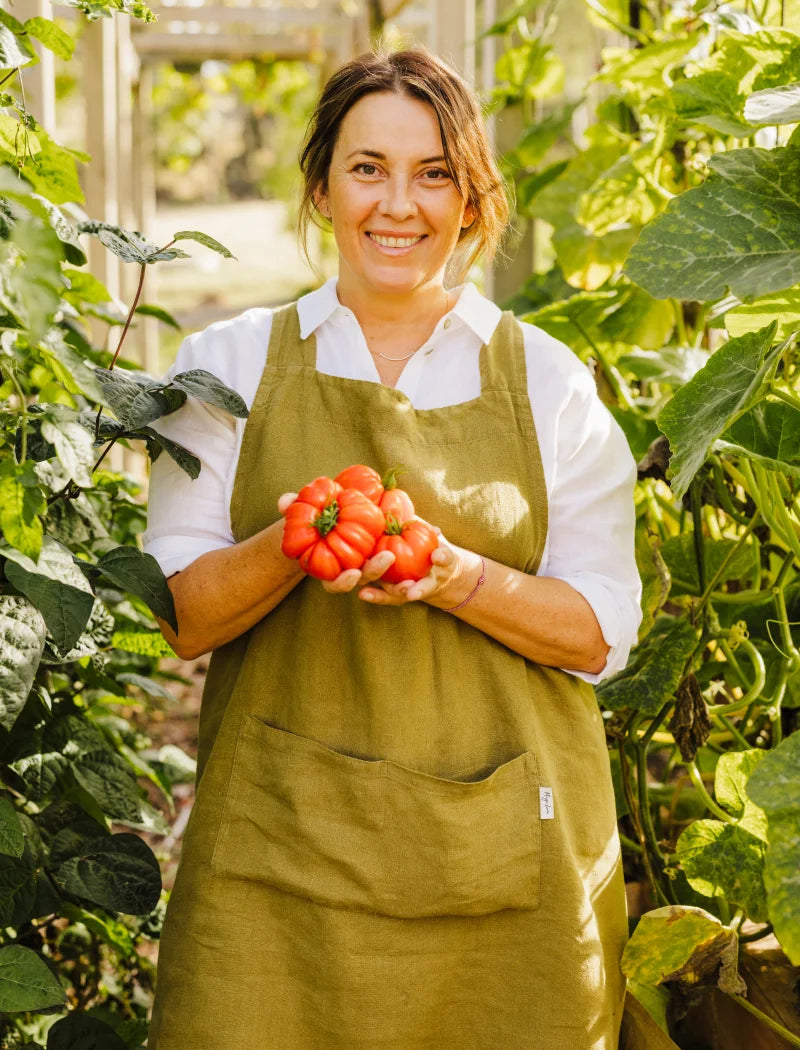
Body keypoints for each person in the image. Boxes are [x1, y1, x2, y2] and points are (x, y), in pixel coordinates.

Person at [143, 45, 642, 1050]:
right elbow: (184, 617)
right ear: (321, 187)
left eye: (432, 174)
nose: (397, 205)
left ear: (470, 200)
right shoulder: (225, 367)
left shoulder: (547, 381)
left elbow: (598, 633)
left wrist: (452, 574)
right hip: (280, 863)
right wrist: (297, 542)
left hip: (507, 865)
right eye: (367, 167)